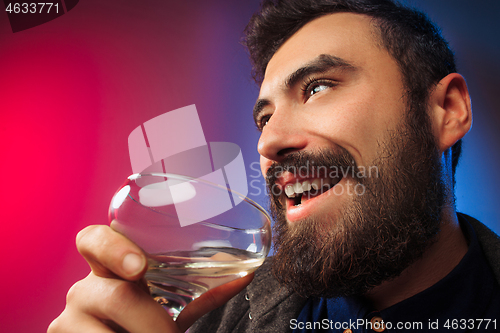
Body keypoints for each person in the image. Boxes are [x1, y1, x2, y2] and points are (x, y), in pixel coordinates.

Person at [49, 0, 500, 332]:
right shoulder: (208, 323)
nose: (270, 142)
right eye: (264, 118)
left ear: (448, 110)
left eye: (317, 88)